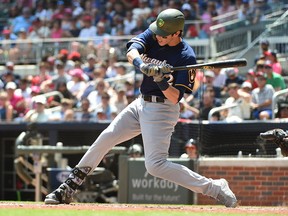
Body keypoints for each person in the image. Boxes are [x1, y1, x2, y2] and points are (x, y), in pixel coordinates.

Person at [44, 8, 237, 208]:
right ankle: (69, 186)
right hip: (140, 103)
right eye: (158, 33)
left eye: (164, 35)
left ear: (177, 33)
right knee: (107, 137)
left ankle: (215, 188)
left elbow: (175, 97)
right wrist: (141, 65)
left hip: (162, 110)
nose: (158, 37)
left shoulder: (185, 57)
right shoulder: (155, 36)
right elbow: (131, 50)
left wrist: (161, 80)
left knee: (155, 166)